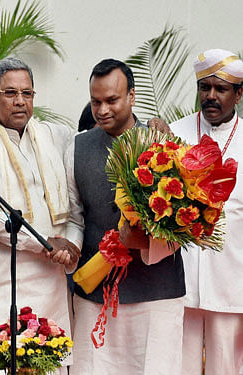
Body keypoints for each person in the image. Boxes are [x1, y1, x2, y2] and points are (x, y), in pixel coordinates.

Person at [0, 57, 80, 375]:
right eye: (10, 93)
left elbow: (76, 206)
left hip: (49, 287)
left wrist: (72, 244)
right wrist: (43, 243)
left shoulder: (57, 138)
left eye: (27, 93)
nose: (20, 101)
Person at [65, 59, 185, 375]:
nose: (102, 109)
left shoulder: (163, 144)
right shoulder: (76, 147)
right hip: (94, 292)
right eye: (96, 101)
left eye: (112, 100)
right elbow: (75, 216)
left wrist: (144, 242)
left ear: (132, 96)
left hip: (157, 293)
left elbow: (186, 223)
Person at [169, 49, 243, 375]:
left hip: (232, 283)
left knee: (226, 368)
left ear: (239, 93)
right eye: (204, 87)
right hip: (178, 283)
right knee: (176, 368)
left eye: (221, 89)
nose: (210, 96)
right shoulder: (175, 134)